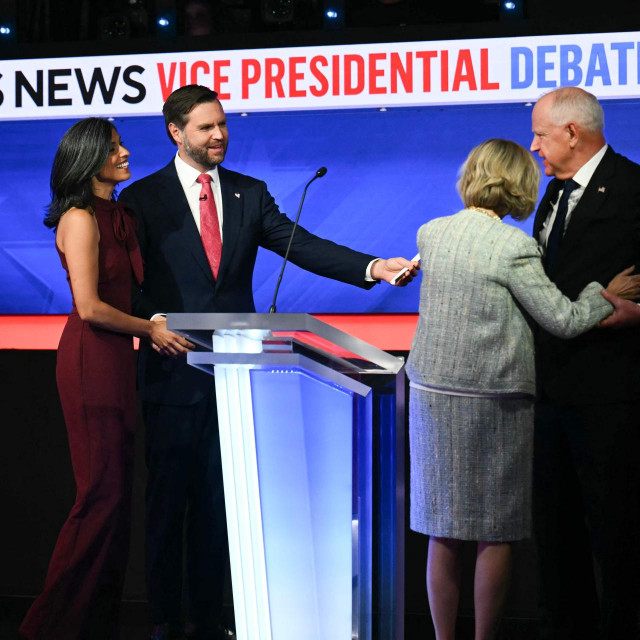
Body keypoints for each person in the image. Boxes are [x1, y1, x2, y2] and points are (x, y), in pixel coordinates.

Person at [118, 84, 419, 640]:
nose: (219, 136)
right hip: (172, 373)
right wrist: (152, 322)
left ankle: (216, 618)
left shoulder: (248, 194)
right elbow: (125, 284)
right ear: (175, 132)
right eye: (206, 127)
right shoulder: (140, 199)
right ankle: (165, 619)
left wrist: (374, 267)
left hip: (236, 375)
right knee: (168, 504)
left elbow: (301, 245)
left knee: (222, 505)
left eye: (223, 125)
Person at [404, 138, 640, 640]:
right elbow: (565, 319)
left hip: (431, 397)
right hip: (494, 403)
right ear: (520, 184)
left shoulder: (431, 233)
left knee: (441, 530)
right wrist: (607, 294)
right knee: (496, 531)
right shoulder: (515, 246)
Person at [19, 118, 192, 640]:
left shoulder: (117, 214)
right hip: (91, 358)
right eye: (114, 148)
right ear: (90, 157)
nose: (125, 153)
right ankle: (46, 627)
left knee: (115, 501)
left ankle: (92, 624)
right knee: (100, 498)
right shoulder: (78, 217)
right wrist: (152, 329)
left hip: (116, 358)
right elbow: (91, 307)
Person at [530, 86, 640, 639]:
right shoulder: (551, 196)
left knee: (618, 534)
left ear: (573, 133)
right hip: (548, 394)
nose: (533, 147)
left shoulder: (633, 187)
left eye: (541, 135)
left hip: (612, 395)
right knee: (556, 535)